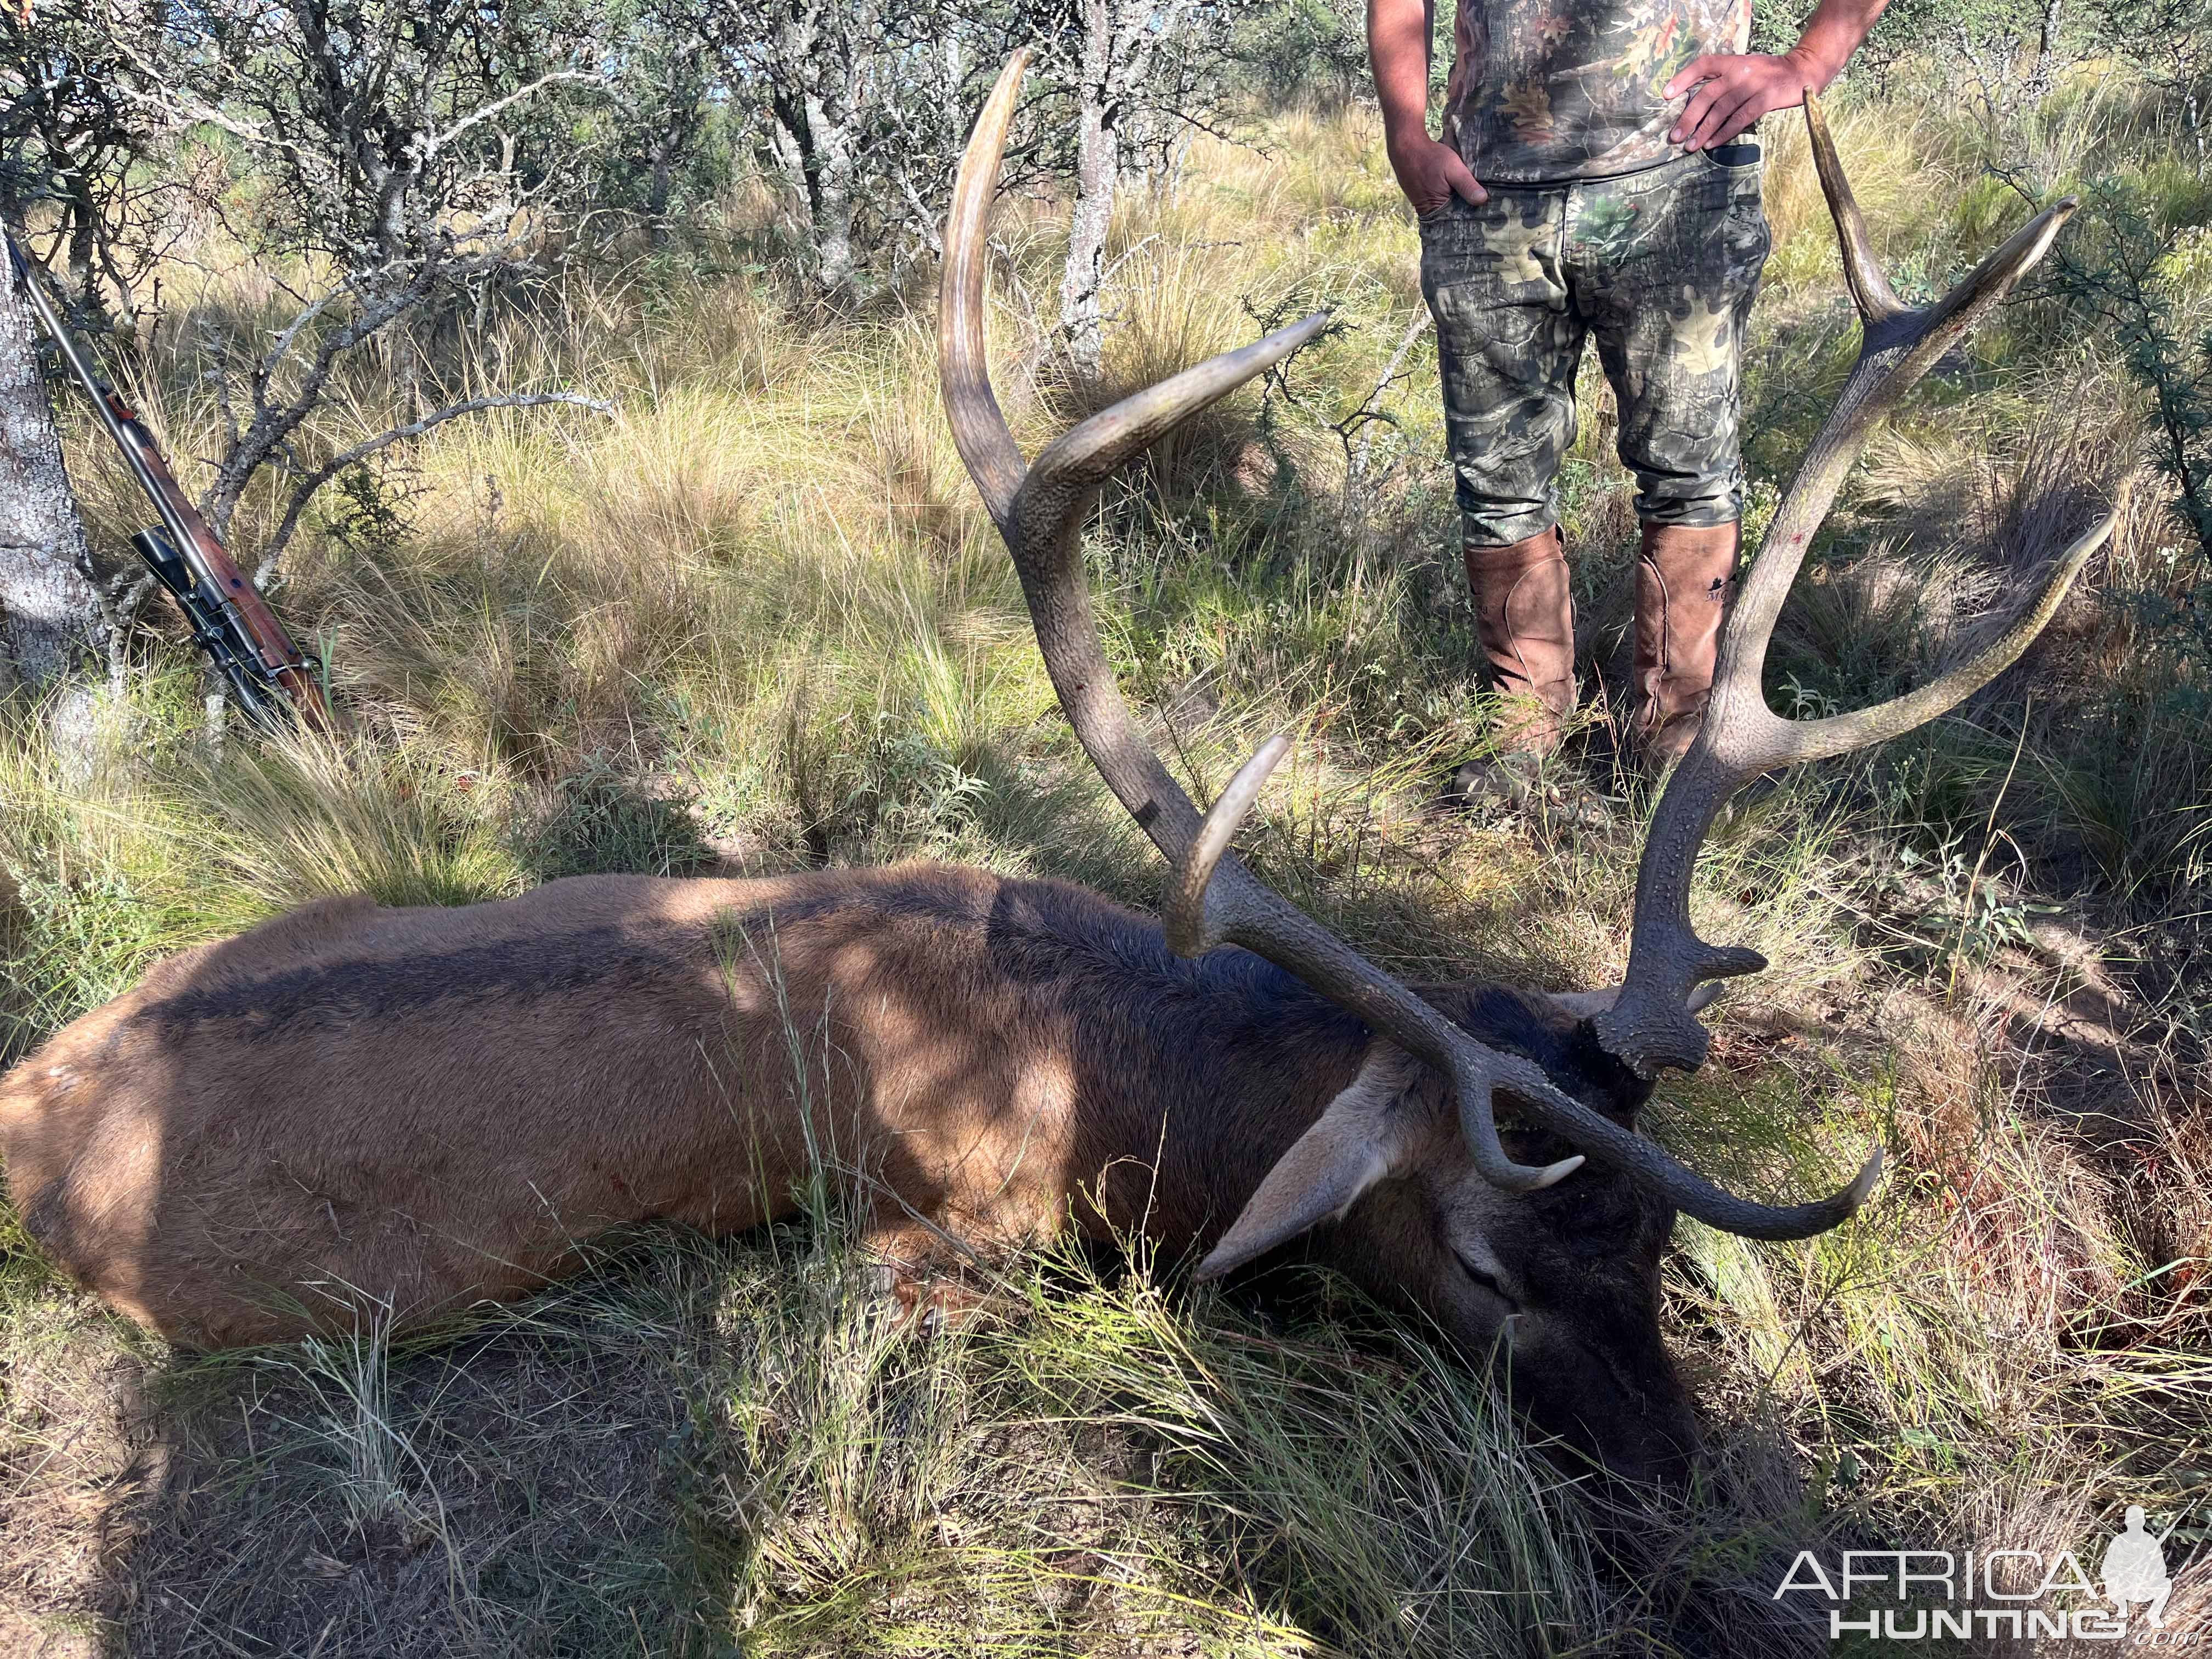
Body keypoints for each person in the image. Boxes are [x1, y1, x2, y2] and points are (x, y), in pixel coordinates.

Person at [1371, 0, 1892, 786]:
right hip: (1488, 197)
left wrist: (1808, 64)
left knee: (1689, 476)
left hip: (1679, 185)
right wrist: (1405, 132)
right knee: (1499, 484)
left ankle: (1676, 743)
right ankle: (1524, 735)